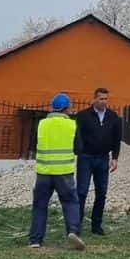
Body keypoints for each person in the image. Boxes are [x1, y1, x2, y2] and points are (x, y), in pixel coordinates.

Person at [29, 93, 85, 250]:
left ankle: (35, 240)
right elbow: (78, 148)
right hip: (64, 172)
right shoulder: (72, 125)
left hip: (44, 172)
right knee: (70, 203)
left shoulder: (42, 124)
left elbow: (33, 146)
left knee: (40, 205)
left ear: (52, 108)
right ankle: (73, 232)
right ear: (67, 108)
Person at [74, 86, 122, 236]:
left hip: (103, 159)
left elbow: (117, 139)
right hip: (86, 158)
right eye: (101, 98)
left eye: (106, 99)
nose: (104, 102)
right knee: (81, 192)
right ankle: (76, 226)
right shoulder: (83, 116)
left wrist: (115, 157)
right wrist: (79, 151)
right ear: (94, 99)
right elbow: (77, 135)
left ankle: (96, 225)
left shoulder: (113, 117)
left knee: (101, 193)